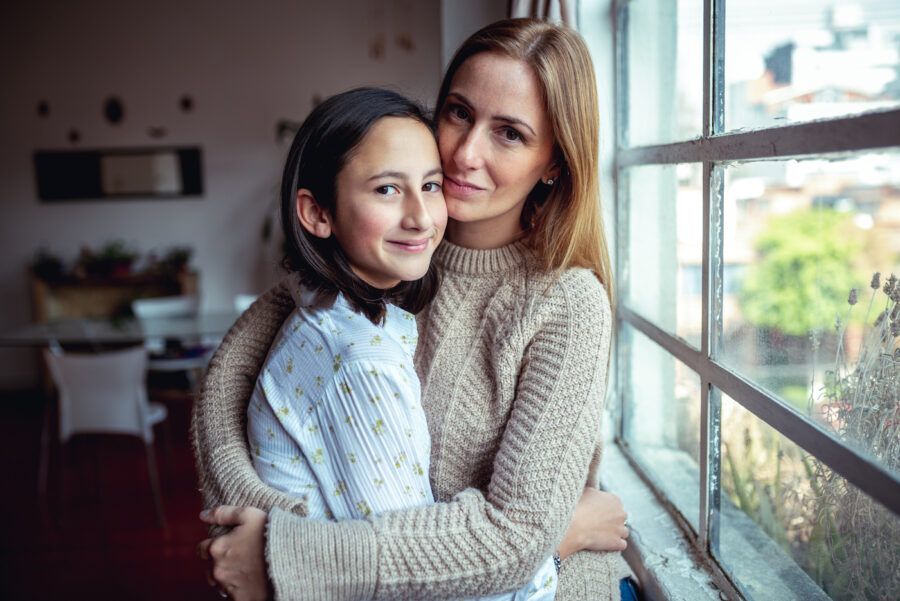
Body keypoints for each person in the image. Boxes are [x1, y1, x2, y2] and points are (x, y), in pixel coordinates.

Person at [194, 17, 631, 601]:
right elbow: (225, 385)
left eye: (510, 133)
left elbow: (517, 537)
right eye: (458, 113)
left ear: (553, 161)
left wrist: (292, 557)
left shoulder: (567, 303)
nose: (465, 153)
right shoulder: (387, 247)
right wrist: (274, 540)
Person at [241, 85, 559, 601]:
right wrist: (555, 549)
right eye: (387, 190)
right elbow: (422, 582)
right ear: (317, 214)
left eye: (431, 186)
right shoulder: (361, 362)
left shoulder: (330, 310)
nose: (420, 216)